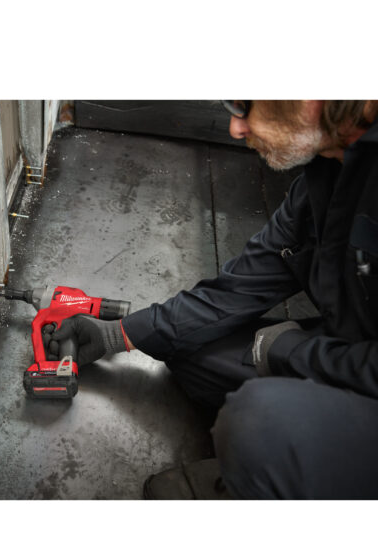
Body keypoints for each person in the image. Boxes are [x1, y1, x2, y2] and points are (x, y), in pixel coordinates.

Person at [51, 100, 378, 500]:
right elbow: (238, 288)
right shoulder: (328, 171)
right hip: (348, 353)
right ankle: (280, 467)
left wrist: (291, 351)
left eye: (247, 105)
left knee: (258, 422)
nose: (236, 128)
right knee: (190, 349)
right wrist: (116, 335)